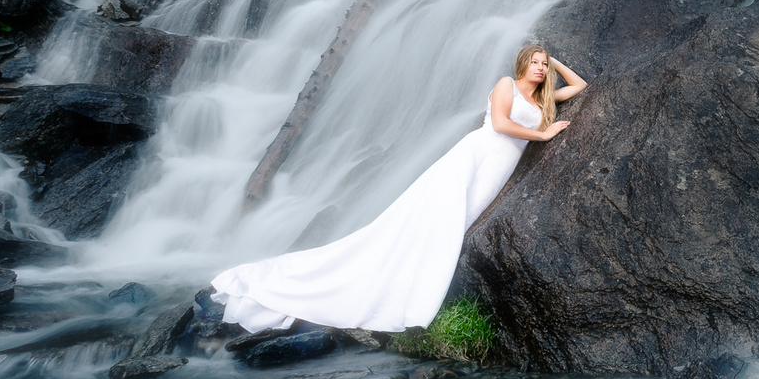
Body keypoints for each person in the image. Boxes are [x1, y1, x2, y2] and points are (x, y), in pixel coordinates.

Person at [211, 43, 587, 333]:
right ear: (522, 63)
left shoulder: (541, 97)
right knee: (441, 218)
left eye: (543, 63)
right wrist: (542, 132)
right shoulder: (507, 85)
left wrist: (555, 63)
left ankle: (411, 280)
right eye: (535, 62)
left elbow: (580, 86)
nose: (539, 68)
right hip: (476, 156)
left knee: (461, 222)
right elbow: (502, 125)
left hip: (497, 170)